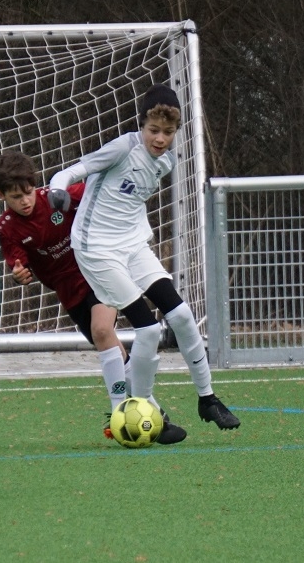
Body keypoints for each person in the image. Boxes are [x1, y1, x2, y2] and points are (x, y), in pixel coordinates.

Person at [47, 84, 240, 431]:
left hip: (133, 245)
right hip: (96, 249)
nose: (160, 138)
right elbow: (72, 172)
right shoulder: (123, 147)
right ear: (141, 126)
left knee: (182, 316)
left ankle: (208, 398)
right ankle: (144, 412)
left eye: (168, 131)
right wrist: (57, 190)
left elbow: (130, 201)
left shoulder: (166, 162)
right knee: (149, 330)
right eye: (154, 130)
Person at [0, 151, 186, 444]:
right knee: (112, 349)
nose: (25, 201)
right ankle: (155, 416)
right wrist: (19, 272)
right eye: (16, 197)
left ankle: (119, 412)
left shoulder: (56, 198)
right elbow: (17, 261)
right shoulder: (7, 226)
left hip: (96, 267)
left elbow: (100, 192)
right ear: (1, 196)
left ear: (36, 186)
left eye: (28, 192)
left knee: (102, 330)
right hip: (68, 290)